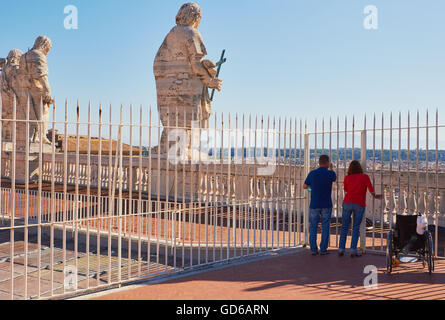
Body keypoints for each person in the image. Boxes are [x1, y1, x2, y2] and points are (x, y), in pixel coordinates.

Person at [338, 160, 382, 257]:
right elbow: (371, 189)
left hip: (347, 202)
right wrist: (375, 196)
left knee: (344, 227)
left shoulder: (347, 177)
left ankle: (341, 248)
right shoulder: (364, 177)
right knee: (356, 227)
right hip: (359, 203)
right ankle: (353, 249)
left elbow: (345, 189)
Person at [303, 155, 337, 255]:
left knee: (313, 226)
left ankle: (313, 249)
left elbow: (305, 186)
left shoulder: (312, 173)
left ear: (319, 162)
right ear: (327, 162)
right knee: (325, 227)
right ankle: (323, 249)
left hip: (314, 203)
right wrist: (331, 168)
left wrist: (311, 189)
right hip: (326, 203)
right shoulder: (331, 173)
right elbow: (334, 179)